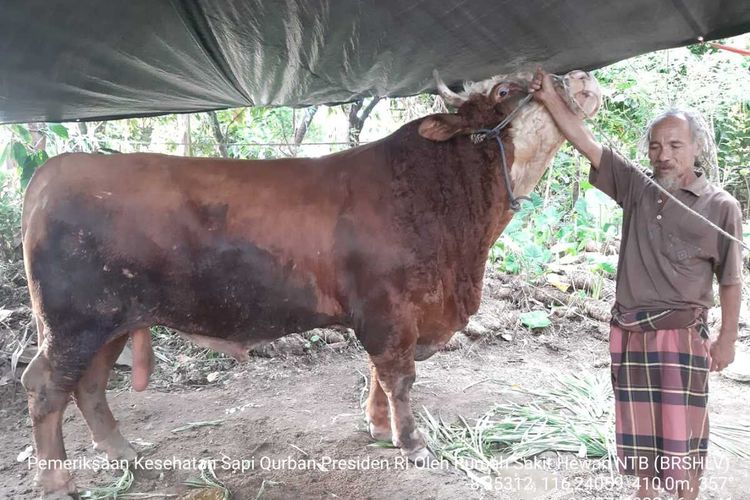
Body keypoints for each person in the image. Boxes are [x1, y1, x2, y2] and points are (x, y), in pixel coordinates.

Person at [530, 68, 743, 500]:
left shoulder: (721, 206)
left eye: (675, 145)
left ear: (697, 147)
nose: (663, 154)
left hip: (681, 336)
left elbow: (732, 281)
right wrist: (551, 97)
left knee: (683, 436)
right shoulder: (636, 187)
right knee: (640, 431)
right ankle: (644, 496)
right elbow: (586, 142)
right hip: (629, 331)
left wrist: (727, 341)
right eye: (656, 145)